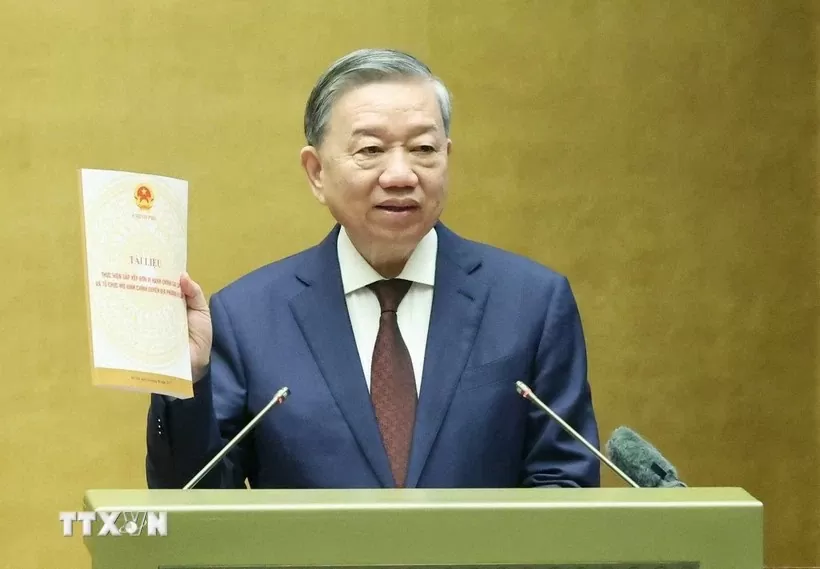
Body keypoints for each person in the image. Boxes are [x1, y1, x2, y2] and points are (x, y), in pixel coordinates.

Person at [146, 48, 600, 489]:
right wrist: (185, 378)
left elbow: (564, 482)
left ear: (447, 157)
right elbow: (196, 499)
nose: (401, 174)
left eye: (424, 148)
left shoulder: (531, 304)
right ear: (316, 172)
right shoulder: (248, 317)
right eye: (370, 149)